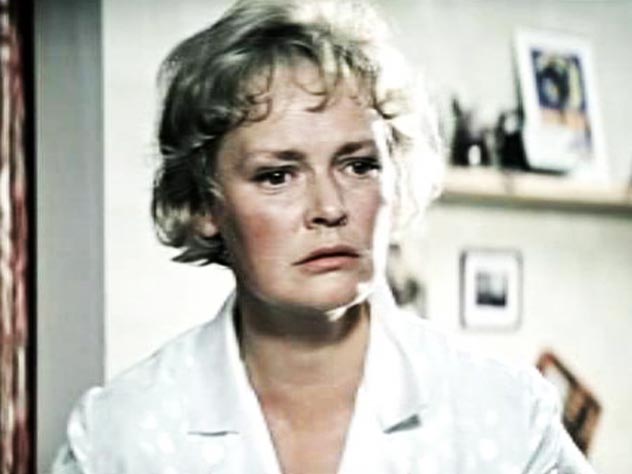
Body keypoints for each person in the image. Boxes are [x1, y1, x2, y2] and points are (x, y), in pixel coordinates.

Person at [52, 0, 597, 472]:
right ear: (203, 204)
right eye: (277, 176)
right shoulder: (118, 434)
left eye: (358, 165)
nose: (330, 208)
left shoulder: (506, 412)